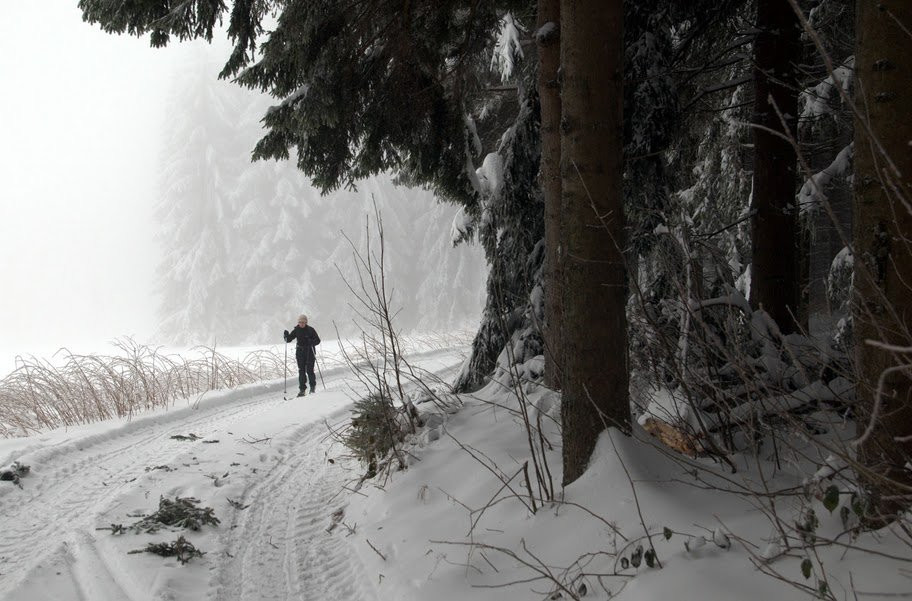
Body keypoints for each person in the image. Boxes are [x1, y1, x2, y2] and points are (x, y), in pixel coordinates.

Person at [284, 314, 321, 396]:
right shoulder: (296, 330)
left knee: (309, 370)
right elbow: (289, 339)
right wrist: (286, 336)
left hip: (309, 352)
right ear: (298, 322)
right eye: (300, 322)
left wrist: (312, 342)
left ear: (306, 322)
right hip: (300, 352)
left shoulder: (311, 330)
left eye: (303, 322)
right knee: (301, 371)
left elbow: (318, 340)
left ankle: (312, 387)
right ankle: (302, 390)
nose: (301, 324)